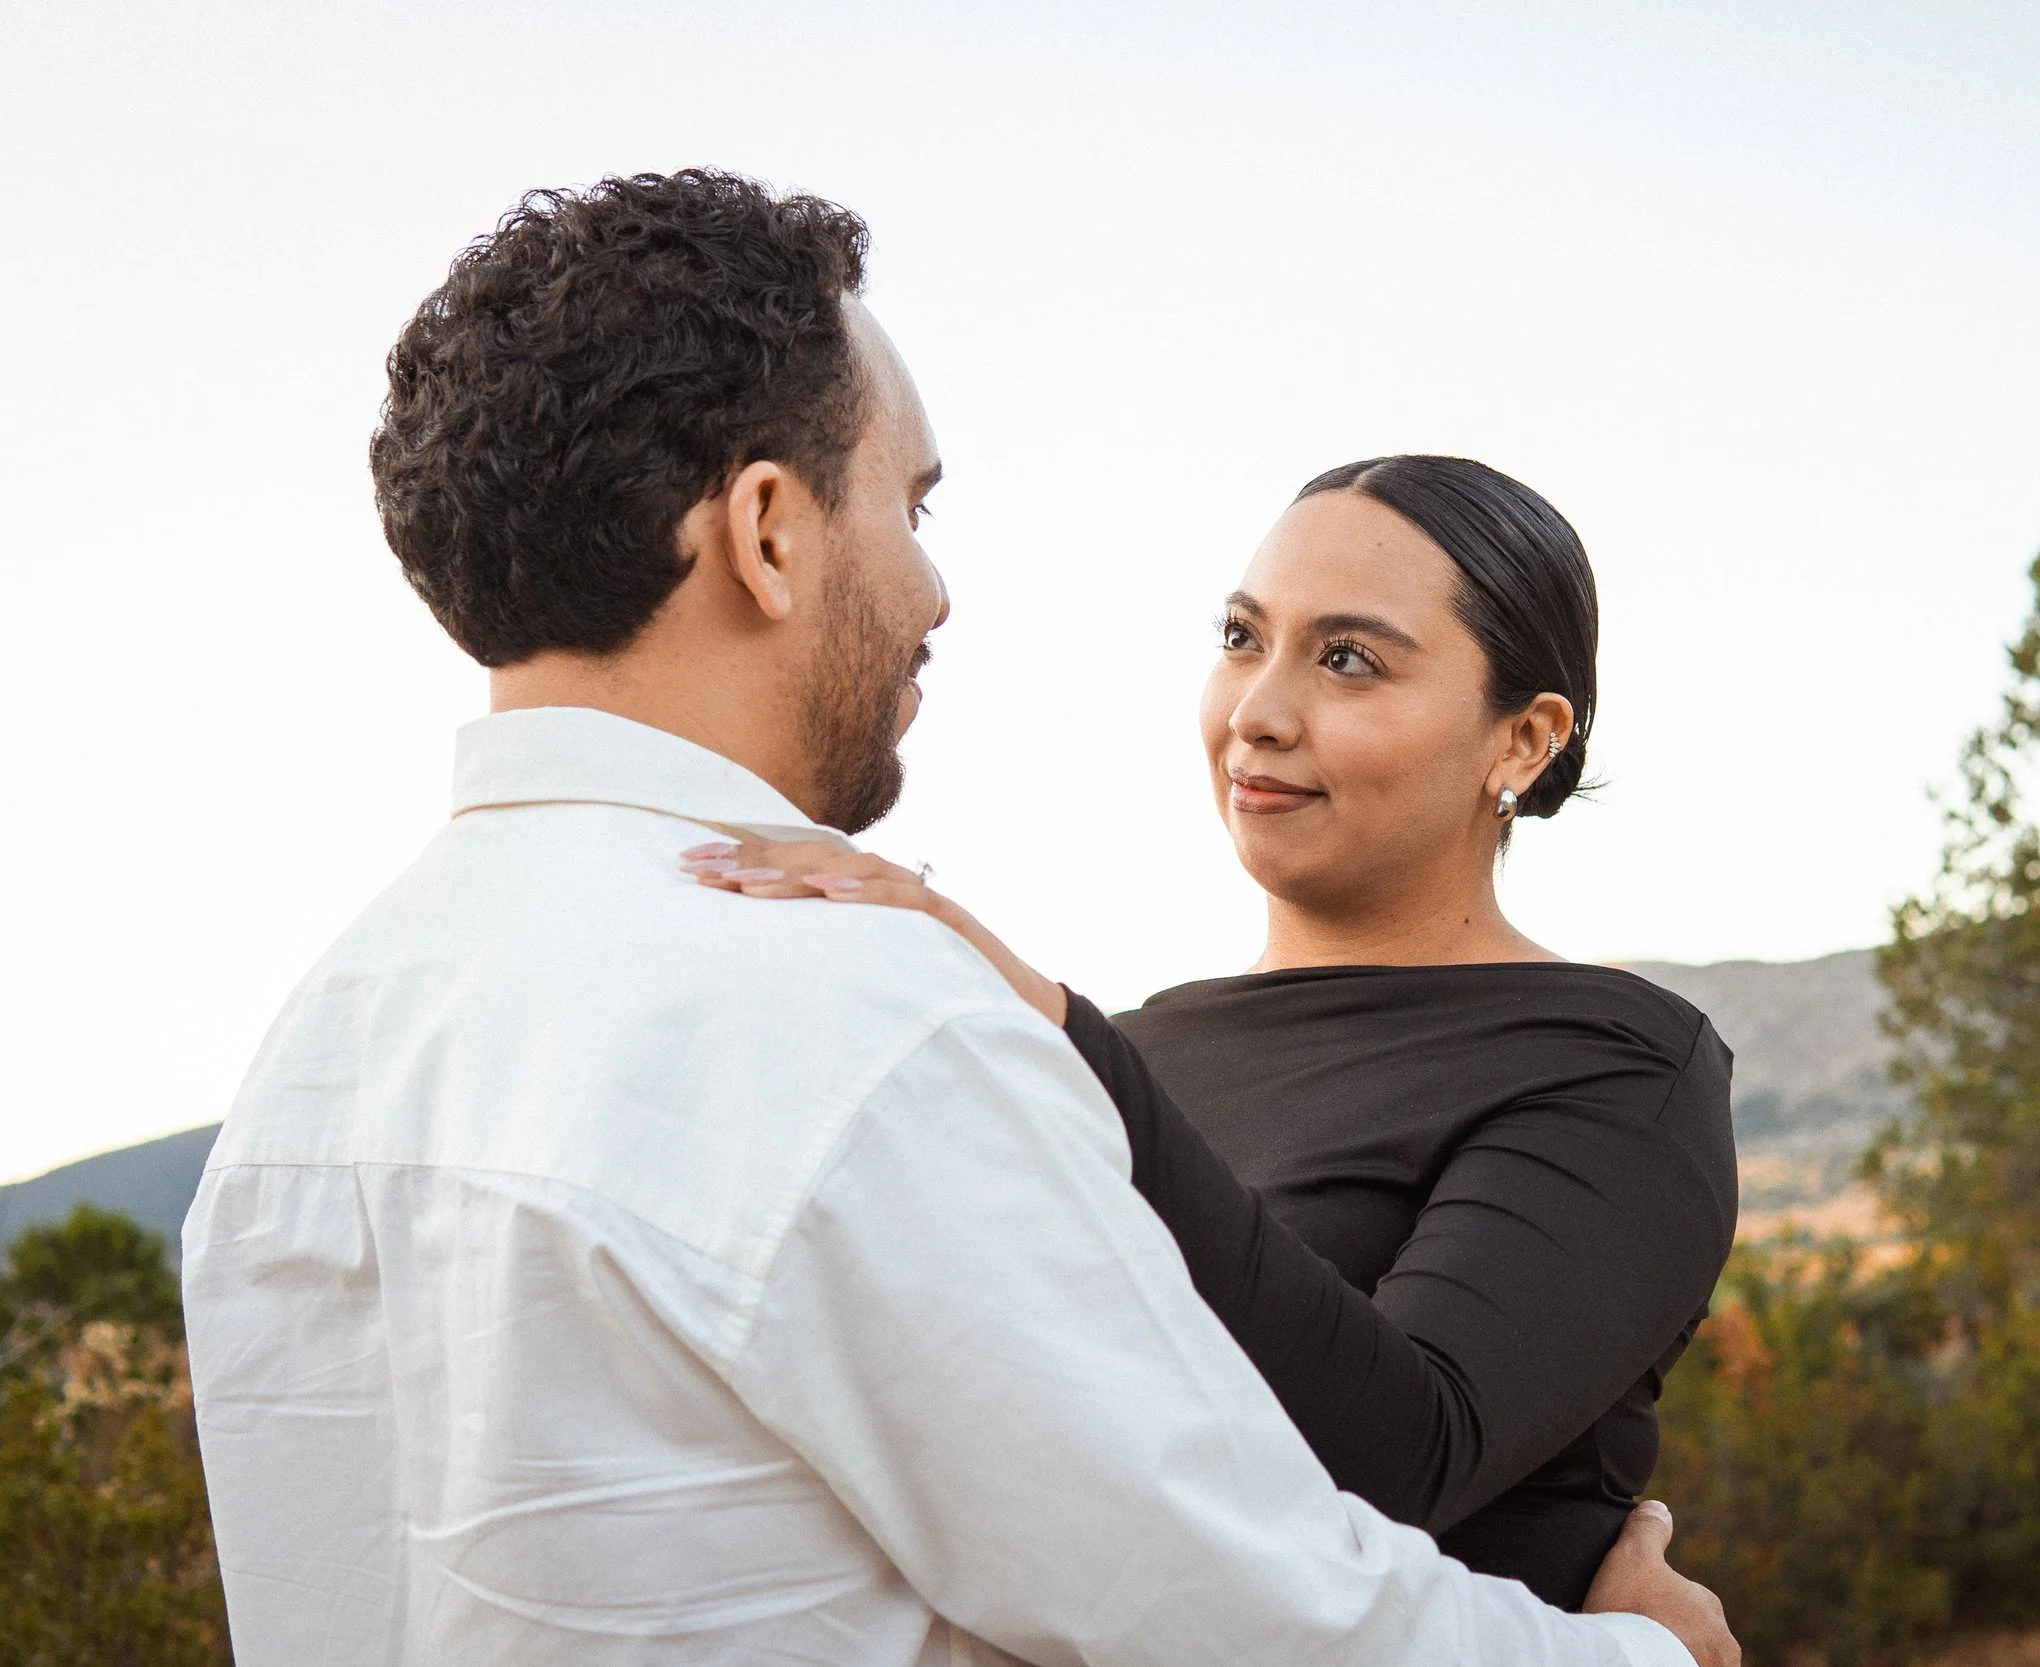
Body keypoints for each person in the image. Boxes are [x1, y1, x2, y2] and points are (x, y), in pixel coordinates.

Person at [180, 168, 1737, 1667]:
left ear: (1525, 738)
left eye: (1348, 658)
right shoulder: (859, 1025)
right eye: (913, 504)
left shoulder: (322, 1046)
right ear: (772, 532)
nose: (934, 590)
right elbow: (1237, 1608)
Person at [692, 455, 1739, 1609]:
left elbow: (1394, 1459)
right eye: (1243, 638)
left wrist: (1049, 1030)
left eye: (1348, 660)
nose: (1257, 712)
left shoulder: (1614, 1063)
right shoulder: (1131, 1051)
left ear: (1523, 740)